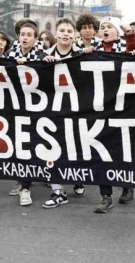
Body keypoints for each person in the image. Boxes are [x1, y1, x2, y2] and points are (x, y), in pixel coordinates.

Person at [0, 19, 51, 206]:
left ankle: (26, 187)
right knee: (17, 145)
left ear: (35, 38)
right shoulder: (10, 53)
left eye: (29, 35)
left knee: (30, 145)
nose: (25, 38)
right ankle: (21, 180)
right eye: (22, 35)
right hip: (14, 107)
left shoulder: (42, 54)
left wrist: (47, 63)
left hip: (35, 108)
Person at [92, 16, 135, 214]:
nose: (105, 30)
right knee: (101, 151)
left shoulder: (124, 46)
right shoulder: (94, 49)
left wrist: (129, 33)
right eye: (102, 27)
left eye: (109, 27)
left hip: (123, 107)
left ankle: (127, 185)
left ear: (117, 32)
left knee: (123, 149)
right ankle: (105, 195)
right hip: (100, 107)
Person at [41, 18, 86, 209]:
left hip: (77, 109)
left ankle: (77, 178)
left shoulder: (82, 55)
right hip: (53, 109)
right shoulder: (44, 55)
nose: (65, 34)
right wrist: (43, 65)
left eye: (69, 31)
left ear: (74, 35)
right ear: (56, 34)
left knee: (76, 146)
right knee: (52, 146)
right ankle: (58, 191)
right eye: (62, 31)